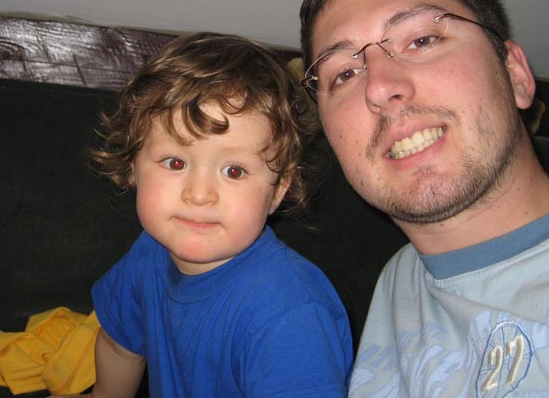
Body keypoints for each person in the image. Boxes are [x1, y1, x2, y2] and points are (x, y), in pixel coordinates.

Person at [299, 0, 549, 396]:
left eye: (422, 40)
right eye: (344, 74)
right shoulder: (399, 280)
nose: (379, 88)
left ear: (515, 75)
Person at [85, 32, 353, 397]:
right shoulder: (148, 254)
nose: (199, 194)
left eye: (234, 171)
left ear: (277, 191)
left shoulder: (290, 315)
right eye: (175, 162)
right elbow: (120, 347)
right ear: (134, 168)